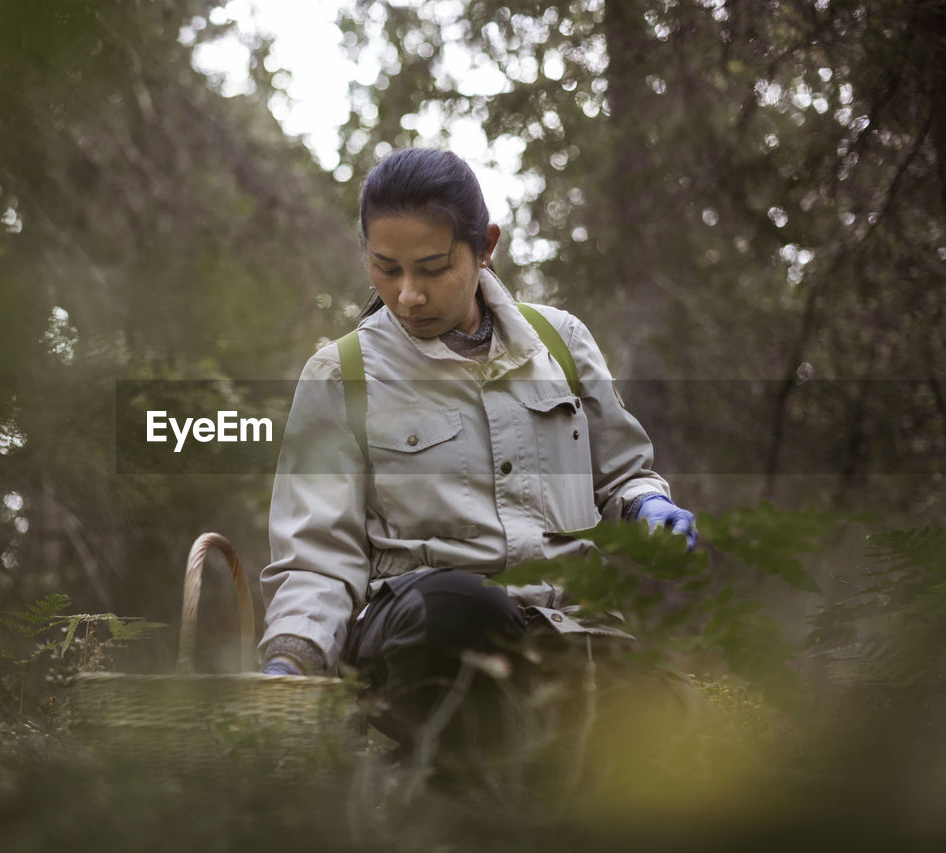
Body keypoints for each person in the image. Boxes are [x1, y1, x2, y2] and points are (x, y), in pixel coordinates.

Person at [257, 148, 696, 764]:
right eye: (385, 269)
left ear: (484, 245)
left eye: (432, 268)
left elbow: (621, 473)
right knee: (458, 608)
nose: (407, 295)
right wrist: (292, 657)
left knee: (667, 728)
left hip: (571, 633)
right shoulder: (340, 375)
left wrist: (647, 504)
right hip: (424, 634)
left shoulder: (560, 344)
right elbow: (317, 557)